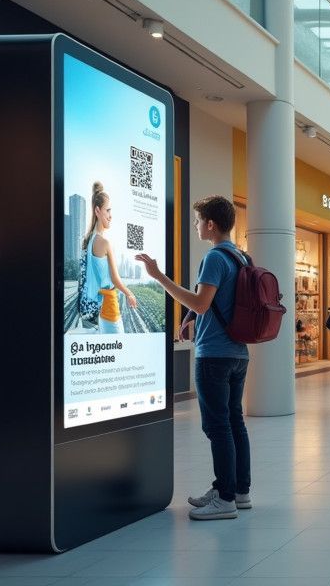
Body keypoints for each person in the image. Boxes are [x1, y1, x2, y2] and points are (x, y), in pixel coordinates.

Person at [135, 195, 251, 521]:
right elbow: (213, 303)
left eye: (198, 220)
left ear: (210, 224)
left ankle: (224, 499)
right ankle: (237, 490)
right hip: (238, 353)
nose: (197, 226)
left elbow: (202, 304)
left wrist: (159, 276)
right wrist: (190, 315)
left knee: (218, 426)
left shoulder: (214, 257)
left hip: (213, 354)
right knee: (234, 422)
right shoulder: (241, 257)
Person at [80, 182, 138, 333]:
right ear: (97, 211)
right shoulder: (104, 243)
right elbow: (114, 279)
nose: (111, 216)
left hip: (102, 310)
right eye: (108, 210)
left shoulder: (90, 240)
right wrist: (129, 294)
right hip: (111, 309)